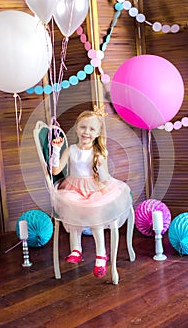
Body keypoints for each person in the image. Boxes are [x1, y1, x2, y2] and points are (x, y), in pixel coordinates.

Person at [51, 108, 133, 278]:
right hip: (74, 188)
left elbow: (104, 179)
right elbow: (56, 170)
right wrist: (56, 149)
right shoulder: (71, 149)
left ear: (98, 133)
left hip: (96, 188)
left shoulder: (99, 152)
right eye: (83, 127)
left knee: (96, 211)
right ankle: (76, 249)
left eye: (91, 129)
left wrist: (100, 164)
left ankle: (101, 255)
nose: (86, 132)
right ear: (76, 128)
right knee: (71, 204)